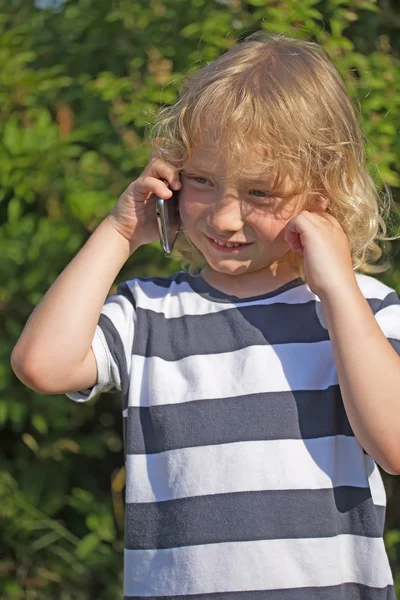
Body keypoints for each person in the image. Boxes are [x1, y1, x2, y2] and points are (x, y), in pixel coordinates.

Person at [11, 32, 400, 599]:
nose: (223, 218)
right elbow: (42, 364)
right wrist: (120, 233)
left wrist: (339, 290)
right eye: (201, 181)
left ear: (323, 193)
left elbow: (394, 445)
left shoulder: (360, 310)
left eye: (260, 192)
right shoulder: (149, 312)